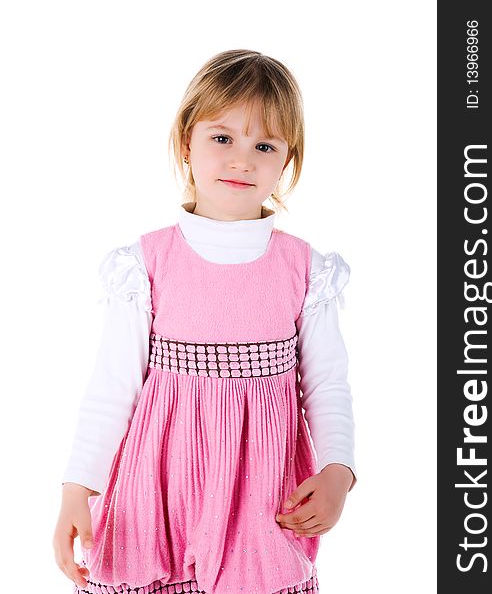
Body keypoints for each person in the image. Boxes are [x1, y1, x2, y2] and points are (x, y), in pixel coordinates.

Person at [53, 49, 357, 594]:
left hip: (260, 494)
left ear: (287, 161)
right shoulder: (144, 265)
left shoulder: (306, 270)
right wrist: (78, 485)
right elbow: (112, 387)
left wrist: (339, 470)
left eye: (264, 145)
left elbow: (327, 384)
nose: (243, 160)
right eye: (223, 138)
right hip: (157, 492)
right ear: (186, 143)